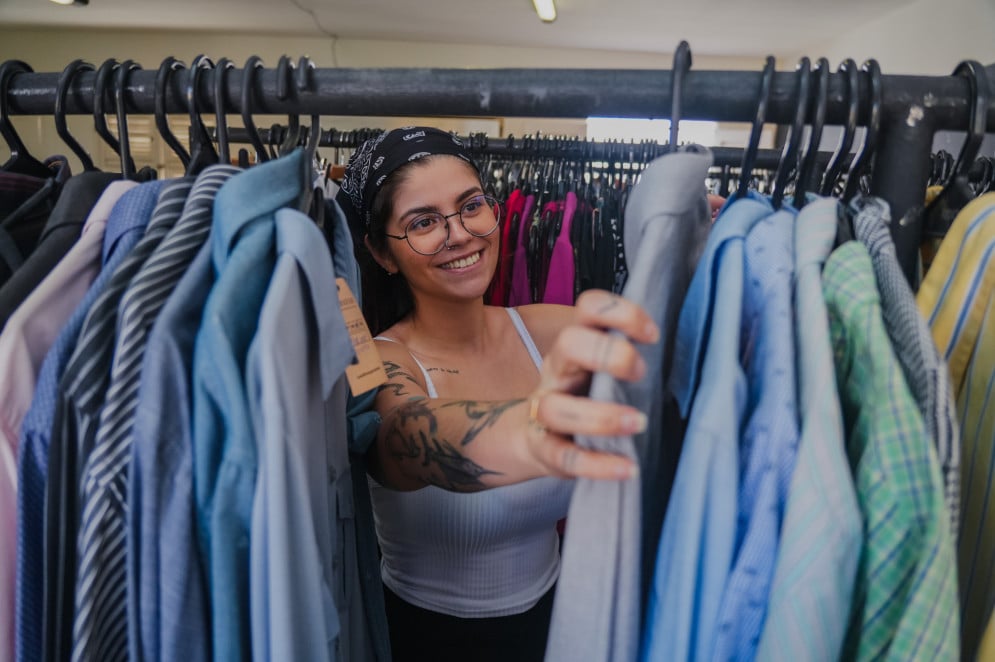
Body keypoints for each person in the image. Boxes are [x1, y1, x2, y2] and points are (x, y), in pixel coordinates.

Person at [337, 127, 657, 662]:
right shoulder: (376, 359)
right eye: (423, 222)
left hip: (558, 625)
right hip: (426, 641)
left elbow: (683, 350)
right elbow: (401, 431)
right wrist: (529, 434)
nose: (459, 234)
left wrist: (691, 251)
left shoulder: (550, 330)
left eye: (471, 206)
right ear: (381, 252)